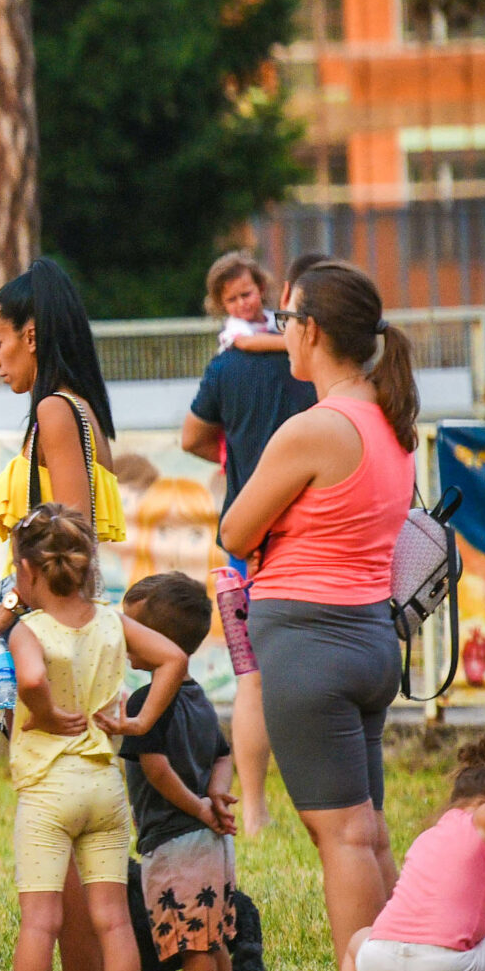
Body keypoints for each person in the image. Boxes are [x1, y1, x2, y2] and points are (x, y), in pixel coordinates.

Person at [219, 258, 417, 971]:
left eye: (286, 317)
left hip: (309, 645)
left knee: (341, 840)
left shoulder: (314, 427)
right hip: (369, 639)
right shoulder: (387, 419)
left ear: (310, 330)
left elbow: (235, 530)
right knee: (365, 834)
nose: (277, 330)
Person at [0, 256, 126, 971]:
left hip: (53, 652)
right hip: (66, 640)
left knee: (58, 857)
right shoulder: (74, 408)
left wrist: (8, 612)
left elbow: (71, 538)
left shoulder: (56, 412)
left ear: (32, 333)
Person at [0, 507, 188, 971]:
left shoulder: (28, 629)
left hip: (49, 791)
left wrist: (47, 712)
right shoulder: (111, 622)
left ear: (28, 574)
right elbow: (173, 658)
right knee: (112, 919)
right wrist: (138, 722)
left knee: (40, 921)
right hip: (106, 787)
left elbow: (30, 677)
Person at [184, 250, 329, 834]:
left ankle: (255, 809)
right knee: (322, 668)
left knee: (252, 677)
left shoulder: (225, 366)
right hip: (317, 533)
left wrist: (231, 456)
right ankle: (327, 801)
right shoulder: (313, 365)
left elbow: (193, 435)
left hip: (249, 538)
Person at [305, 737, 485, 971]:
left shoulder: (429, 839)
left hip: (379, 968)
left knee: (360, 940)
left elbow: (469, 922)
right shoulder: (484, 826)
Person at [117, 572, 239, 971]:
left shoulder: (150, 700)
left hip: (176, 840)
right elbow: (224, 754)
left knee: (193, 946)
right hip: (208, 841)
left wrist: (201, 807)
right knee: (213, 941)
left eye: (132, 629)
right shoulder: (198, 696)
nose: (126, 640)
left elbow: (156, 766)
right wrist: (216, 794)